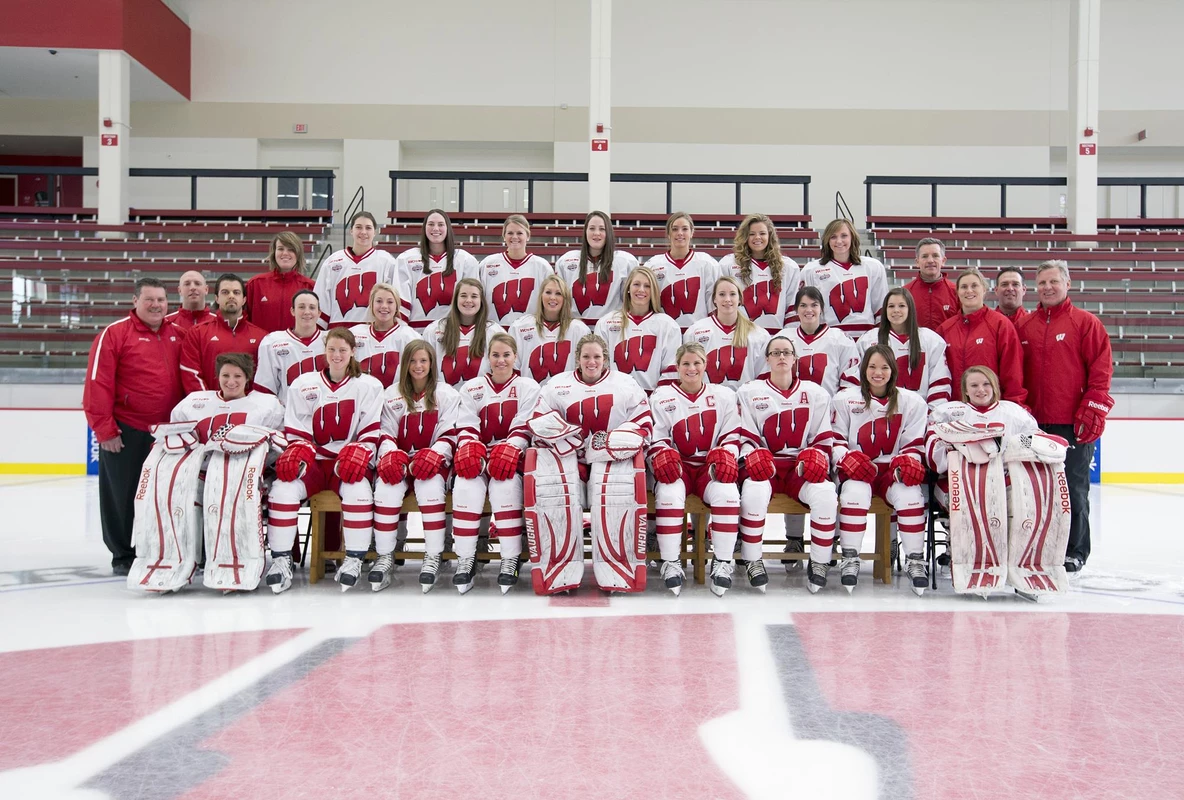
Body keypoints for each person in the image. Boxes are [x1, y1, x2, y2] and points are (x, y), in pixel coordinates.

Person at [525, 333, 653, 594]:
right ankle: (557, 570)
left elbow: (643, 423)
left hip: (612, 460)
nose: (591, 362)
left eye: (597, 357)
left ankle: (619, 569)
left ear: (606, 359)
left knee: (616, 492)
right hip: (569, 459)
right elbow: (539, 421)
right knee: (555, 491)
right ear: (578, 359)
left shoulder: (626, 384)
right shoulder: (557, 384)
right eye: (586, 357)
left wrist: (603, 446)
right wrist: (568, 442)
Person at [928, 366, 1072, 596]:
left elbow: (1035, 442)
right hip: (960, 482)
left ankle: (1021, 563)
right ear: (965, 390)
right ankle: (967, 559)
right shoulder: (949, 413)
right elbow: (936, 456)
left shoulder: (1013, 413)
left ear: (994, 386)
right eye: (974, 385)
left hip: (1005, 481)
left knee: (1027, 503)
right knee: (972, 504)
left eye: (986, 384)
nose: (981, 390)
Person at [263, 327, 384, 594]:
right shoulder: (304, 383)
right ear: (324, 350)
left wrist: (360, 450)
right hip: (316, 461)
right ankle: (282, 560)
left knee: (358, 489)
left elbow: (370, 431)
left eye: (343, 350)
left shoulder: (369, 385)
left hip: (346, 462)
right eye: (332, 349)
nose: (337, 355)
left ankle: (353, 558)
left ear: (353, 351)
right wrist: (300, 449)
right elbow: (297, 429)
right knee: (283, 487)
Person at [1016, 259, 1113, 572]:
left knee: (1073, 488)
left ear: (1067, 284)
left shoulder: (1086, 323)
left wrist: (1094, 408)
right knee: (1033, 490)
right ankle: (1039, 546)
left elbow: (1101, 371)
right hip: (1034, 423)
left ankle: (1075, 550)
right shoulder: (1025, 326)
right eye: (1042, 282)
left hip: (1072, 424)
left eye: (1053, 281)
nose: (1047, 287)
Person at [83, 277, 184, 575]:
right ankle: (123, 555)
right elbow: (97, 384)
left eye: (161, 300)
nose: (156, 305)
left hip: (168, 434)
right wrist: (104, 430)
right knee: (122, 495)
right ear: (135, 301)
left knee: (164, 495)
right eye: (149, 300)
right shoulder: (114, 334)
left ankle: (160, 548)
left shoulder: (177, 334)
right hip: (126, 430)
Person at [736, 336, 838, 593]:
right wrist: (751, 455)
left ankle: (819, 562)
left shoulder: (815, 393)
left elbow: (823, 440)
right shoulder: (749, 392)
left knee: (826, 493)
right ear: (767, 358)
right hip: (765, 465)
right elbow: (744, 438)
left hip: (798, 467)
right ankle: (752, 558)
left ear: (795, 358)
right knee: (754, 491)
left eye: (786, 352)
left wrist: (817, 457)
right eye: (776, 352)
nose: (781, 357)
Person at [830, 345, 929, 595]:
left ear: (893, 370)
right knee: (854, 491)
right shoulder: (845, 399)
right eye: (872, 366)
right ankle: (850, 558)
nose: (878, 372)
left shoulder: (911, 401)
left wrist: (907, 462)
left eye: (884, 367)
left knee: (910, 494)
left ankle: (915, 561)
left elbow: (913, 445)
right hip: (856, 470)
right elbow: (836, 440)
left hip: (889, 472)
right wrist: (847, 459)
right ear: (864, 369)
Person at [648, 343, 743, 597]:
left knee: (728, 492)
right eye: (686, 364)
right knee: (668, 493)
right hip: (679, 466)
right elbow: (655, 438)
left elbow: (733, 435)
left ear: (705, 365)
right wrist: (662, 455)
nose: (692, 368)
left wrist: (726, 454)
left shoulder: (723, 396)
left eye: (697, 363)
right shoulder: (662, 397)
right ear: (677, 367)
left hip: (708, 467)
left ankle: (722, 563)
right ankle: (670, 562)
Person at [452, 333, 542, 593]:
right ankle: (465, 559)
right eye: (495, 355)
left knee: (505, 487)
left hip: (512, 458)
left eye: (506, 355)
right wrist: (470, 448)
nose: (501, 360)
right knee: (465, 485)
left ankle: (510, 558)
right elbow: (467, 424)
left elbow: (525, 425)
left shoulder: (528, 386)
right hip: (481, 457)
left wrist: (511, 448)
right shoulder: (472, 387)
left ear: (515, 357)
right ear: (488, 358)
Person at [372, 340, 463, 592]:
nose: (418, 366)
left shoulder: (446, 394)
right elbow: (386, 432)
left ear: (432, 363)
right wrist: (391, 454)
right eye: (413, 361)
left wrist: (435, 455)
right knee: (386, 488)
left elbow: (449, 432)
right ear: (405, 364)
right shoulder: (391, 394)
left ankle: (433, 555)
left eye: (423, 360)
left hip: (433, 462)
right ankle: (385, 556)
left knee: (431, 487)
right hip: (401, 460)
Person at [846, 288, 952, 409]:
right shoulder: (868, 340)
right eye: (891, 306)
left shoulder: (931, 340)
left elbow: (940, 382)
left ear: (910, 309)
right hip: (876, 411)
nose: (896, 310)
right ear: (885, 310)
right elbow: (857, 379)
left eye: (901, 306)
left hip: (917, 413)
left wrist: (931, 413)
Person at [938, 268, 1026, 407]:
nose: (969, 290)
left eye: (974, 286)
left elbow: (1012, 371)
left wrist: (1013, 406)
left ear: (984, 289)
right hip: (956, 409)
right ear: (957, 292)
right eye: (964, 287)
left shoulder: (1000, 324)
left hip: (991, 409)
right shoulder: (945, 329)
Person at [594, 265, 680, 392]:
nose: (641, 289)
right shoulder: (606, 323)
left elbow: (670, 370)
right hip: (615, 398)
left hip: (652, 399)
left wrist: (657, 399)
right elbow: (599, 367)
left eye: (647, 286)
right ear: (628, 288)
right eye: (636, 284)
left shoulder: (668, 325)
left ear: (654, 291)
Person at [798, 218, 888, 339]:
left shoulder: (873, 267)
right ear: (826, 240)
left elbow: (880, 309)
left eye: (844, 235)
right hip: (830, 338)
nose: (839, 241)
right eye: (833, 237)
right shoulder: (811, 270)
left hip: (867, 338)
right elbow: (806, 310)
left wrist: (879, 339)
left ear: (852, 237)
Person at [179, 273, 267, 394]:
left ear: (244, 299)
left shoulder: (261, 337)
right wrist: (210, 403)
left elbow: (265, 378)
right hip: (209, 410)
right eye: (225, 292)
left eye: (236, 292)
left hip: (249, 410)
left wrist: (249, 404)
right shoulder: (197, 333)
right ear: (216, 298)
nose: (231, 296)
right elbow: (191, 373)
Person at [314, 211, 404, 328]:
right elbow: (321, 300)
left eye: (368, 228)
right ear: (351, 230)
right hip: (338, 333)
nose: (363, 232)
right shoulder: (332, 261)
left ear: (374, 232)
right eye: (358, 227)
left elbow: (395, 300)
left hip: (372, 332)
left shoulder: (386, 261)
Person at [396, 208, 480, 331]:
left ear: (448, 228)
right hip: (416, 333)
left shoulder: (466, 260)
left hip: (453, 333)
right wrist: (404, 333)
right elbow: (401, 301)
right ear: (424, 228)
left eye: (440, 224)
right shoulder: (406, 259)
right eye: (431, 224)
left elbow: (472, 302)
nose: (435, 229)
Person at [718, 213, 802, 333]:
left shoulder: (788, 267)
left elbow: (792, 308)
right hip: (741, 336)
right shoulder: (728, 264)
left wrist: (788, 337)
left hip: (776, 339)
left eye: (762, 233)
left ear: (770, 236)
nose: (757, 237)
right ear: (744, 236)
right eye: (751, 234)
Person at [683, 276, 770, 390]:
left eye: (732, 294)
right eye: (722, 294)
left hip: (744, 402)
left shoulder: (759, 335)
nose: (727, 299)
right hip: (707, 402)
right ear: (714, 299)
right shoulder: (695, 331)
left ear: (740, 299)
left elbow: (762, 378)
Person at [555, 210, 638, 326]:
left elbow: (633, 302)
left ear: (609, 232)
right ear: (585, 232)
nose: (596, 233)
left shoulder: (625, 262)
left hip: (612, 329)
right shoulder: (566, 261)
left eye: (602, 229)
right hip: (576, 328)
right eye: (592, 228)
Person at [421, 277, 506, 387]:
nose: (468, 300)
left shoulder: (494, 331)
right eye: (463, 295)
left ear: (481, 301)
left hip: (482, 400)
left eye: (474, 296)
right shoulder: (435, 330)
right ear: (456, 299)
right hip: (443, 399)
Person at [775, 286, 859, 396]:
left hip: (828, 408)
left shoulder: (840, 339)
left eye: (814, 305)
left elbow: (849, 385)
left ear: (822, 308)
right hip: (792, 409)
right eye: (803, 305)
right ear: (796, 309)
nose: (809, 310)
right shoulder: (783, 338)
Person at [644, 211, 719, 332]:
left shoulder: (707, 263)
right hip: (665, 334)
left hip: (698, 334)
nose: (680, 233)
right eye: (674, 229)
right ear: (668, 233)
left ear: (692, 232)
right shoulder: (653, 265)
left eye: (684, 229)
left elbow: (714, 305)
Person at [509, 273, 590, 385]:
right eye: (548, 292)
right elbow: (513, 367)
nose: (552, 297)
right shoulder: (520, 326)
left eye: (558, 293)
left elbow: (585, 370)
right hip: (531, 395)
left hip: (566, 396)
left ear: (565, 298)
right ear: (541, 295)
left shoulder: (579, 329)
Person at [477, 214, 555, 326]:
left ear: (528, 236)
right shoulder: (488, 263)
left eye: (519, 233)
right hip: (494, 332)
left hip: (530, 333)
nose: (514, 237)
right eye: (510, 233)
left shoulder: (542, 266)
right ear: (504, 236)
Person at [254, 289, 326, 405]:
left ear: (319, 313)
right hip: (288, 415)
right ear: (292, 311)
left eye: (312, 307)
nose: (307, 312)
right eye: (301, 307)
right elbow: (265, 389)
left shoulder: (331, 340)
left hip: (323, 413)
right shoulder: (273, 342)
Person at [350, 283, 421, 388]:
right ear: (371, 304)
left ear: (397, 306)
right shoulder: (354, 334)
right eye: (379, 301)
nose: (384, 306)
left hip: (399, 400)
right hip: (362, 398)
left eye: (390, 302)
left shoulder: (410, 337)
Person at [245, 231, 316, 334]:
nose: (285, 253)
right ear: (274, 253)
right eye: (280, 249)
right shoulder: (255, 284)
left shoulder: (310, 287)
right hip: (261, 347)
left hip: (297, 348)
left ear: (298, 254)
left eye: (291, 250)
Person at [903, 237, 959, 331]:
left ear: (943, 261)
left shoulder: (957, 292)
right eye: (925, 256)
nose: (930, 260)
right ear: (917, 262)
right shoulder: (905, 293)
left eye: (935, 255)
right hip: (915, 345)